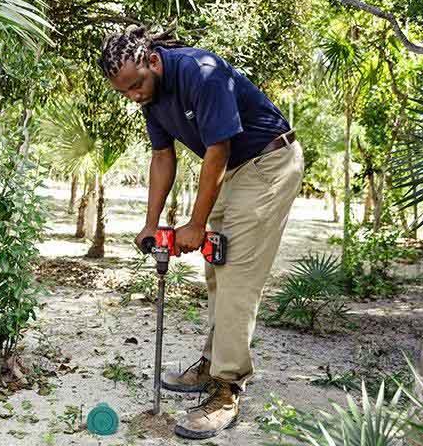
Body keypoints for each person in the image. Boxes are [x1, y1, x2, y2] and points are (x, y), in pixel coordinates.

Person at [97, 26, 304, 440]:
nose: (134, 96)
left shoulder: (200, 71)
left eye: (136, 85)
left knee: (238, 279)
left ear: (152, 61)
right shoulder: (151, 97)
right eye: (126, 92)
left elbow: (218, 150)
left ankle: (227, 389)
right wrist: (151, 222)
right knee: (217, 270)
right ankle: (213, 364)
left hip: (269, 164)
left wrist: (195, 223)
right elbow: (161, 155)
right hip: (238, 173)